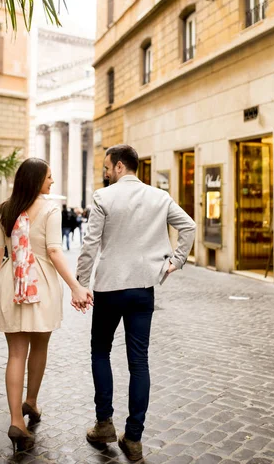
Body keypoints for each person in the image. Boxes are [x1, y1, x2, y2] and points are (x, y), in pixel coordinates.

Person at [76, 144, 196, 462]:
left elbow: (90, 245)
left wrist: (80, 283)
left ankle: (104, 424)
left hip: (109, 287)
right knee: (138, 362)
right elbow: (189, 226)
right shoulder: (159, 197)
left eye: (106, 167)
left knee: (100, 351)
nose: (105, 172)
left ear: (119, 167)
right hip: (144, 287)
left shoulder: (104, 198)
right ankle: (134, 438)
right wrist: (175, 262)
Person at [0, 158, 93, 454]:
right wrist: (76, 285)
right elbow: (55, 251)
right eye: (48, 177)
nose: (52, 182)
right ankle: (30, 400)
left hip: (10, 284)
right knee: (39, 348)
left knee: (15, 354)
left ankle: (18, 419)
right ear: (35, 180)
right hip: (41, 285)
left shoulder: (4, 210)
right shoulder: (49, 209)